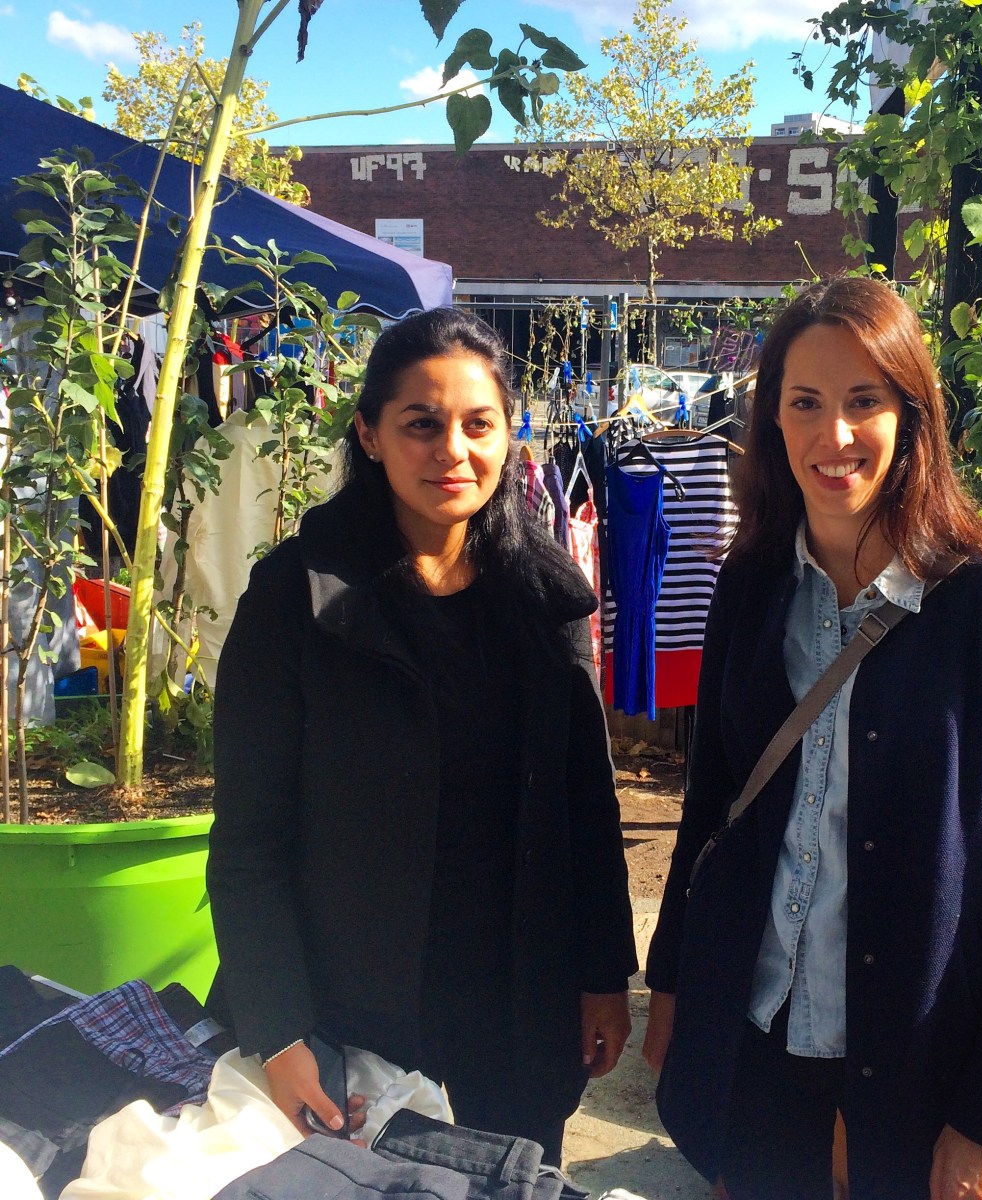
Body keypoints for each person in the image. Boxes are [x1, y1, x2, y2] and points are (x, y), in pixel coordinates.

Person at [641, 277, 982, 1200]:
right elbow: (712, 805)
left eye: (863, 401)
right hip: (758, 1021)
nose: (832, 435)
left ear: (911, 415)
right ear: (772, 419)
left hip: (920, 1049)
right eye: (804, 402)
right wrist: (673, 984)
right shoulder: (749, 586)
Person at [206, 307, 637, 1165]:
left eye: (479, 424)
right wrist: (279, 1030)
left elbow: (585, 806)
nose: (453, 451)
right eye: (421, 424)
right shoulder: (297, 599)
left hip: (518, 1005)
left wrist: (603, 976)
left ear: (509, 435)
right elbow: (251, 834)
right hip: (352, 1013)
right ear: (370, 435)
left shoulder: (545, 596)